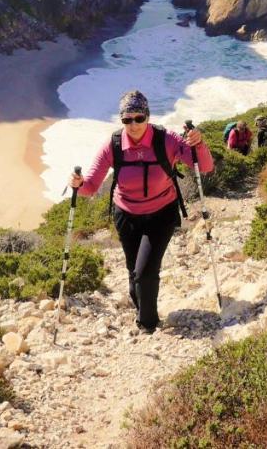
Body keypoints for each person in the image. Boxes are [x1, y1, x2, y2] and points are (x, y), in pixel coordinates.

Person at [68, 90, 214, 333]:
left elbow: (205, 166)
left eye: (138, 118)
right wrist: (78, 184)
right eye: (127, 120)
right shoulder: (113, 145)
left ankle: (148, 324)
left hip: (161, 213)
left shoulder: (166, 139)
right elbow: (91, 186)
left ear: (147, 116)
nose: (133, 124)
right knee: (133, 270)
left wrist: (199, 144)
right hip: (126, 215)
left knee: (145, 271)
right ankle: (140, 308)